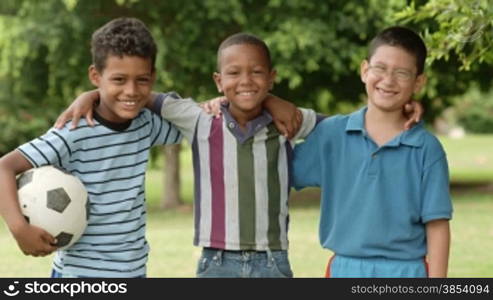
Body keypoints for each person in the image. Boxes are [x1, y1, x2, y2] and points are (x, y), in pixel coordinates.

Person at [55, 32, 423, 278]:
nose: (245, 81)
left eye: (256, 73)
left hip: (272, 262)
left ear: (272, 77)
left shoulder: (289, 123)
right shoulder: (197, 118)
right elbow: (136, 94)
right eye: (234, 73)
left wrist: (402, 109)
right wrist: (87, 97)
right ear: (218, 80)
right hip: (215, 261)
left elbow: (350, 125)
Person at [0, 17, 182, 277]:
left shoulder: (147, 124)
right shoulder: (73, 131)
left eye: (142, 80)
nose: (130, 90)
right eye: (119, 79)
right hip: (80, 276)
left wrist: (97, 94)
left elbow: (191, 121)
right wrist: (19, 229)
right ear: (95, 76)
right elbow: (4, 167)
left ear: (153, 77)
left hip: (134, 272)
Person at [292, 26, 453, 278]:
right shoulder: (332, 134)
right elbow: (274, 166)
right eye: (380, 68)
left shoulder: (427, 149)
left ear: (418, 82)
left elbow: (437, 225)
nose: (388, 80)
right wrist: (260, 104)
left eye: (402, 73)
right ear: (364, 70)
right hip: (345, 269)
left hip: (407, 271)